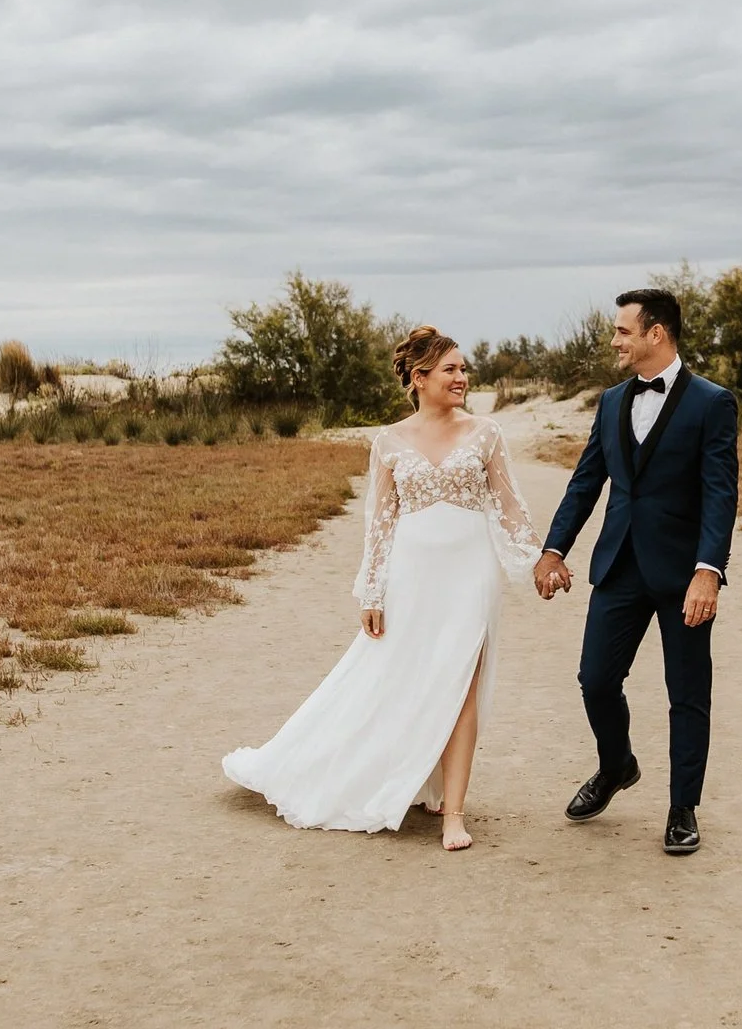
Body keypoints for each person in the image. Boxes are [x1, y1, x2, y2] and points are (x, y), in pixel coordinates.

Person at [223, 327, 538, 851]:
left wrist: (539, 562)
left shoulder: (486, 433)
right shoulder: (389, 441)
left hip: (470, 573)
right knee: (403, 676)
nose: (462, 378)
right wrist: (372, 592)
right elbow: (381, 523)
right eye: (451, 370)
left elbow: (510, 505)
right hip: (412, 573)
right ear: (420, 378)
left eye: (463, 369)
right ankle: (387, 774)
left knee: (462, 682)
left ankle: (453, 812)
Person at [534, 289, 738, 855]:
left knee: (687, 694)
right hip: (619, 564)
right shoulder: (611, 401)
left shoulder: (712, 403)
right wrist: (555, 550)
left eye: (624, 331)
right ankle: (617, 764)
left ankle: (682, 808)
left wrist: (709, 571)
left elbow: (721, 493)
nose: (615, 340)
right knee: (595, 679)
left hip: (683, 573)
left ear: (657, 334)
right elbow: (585, 482)